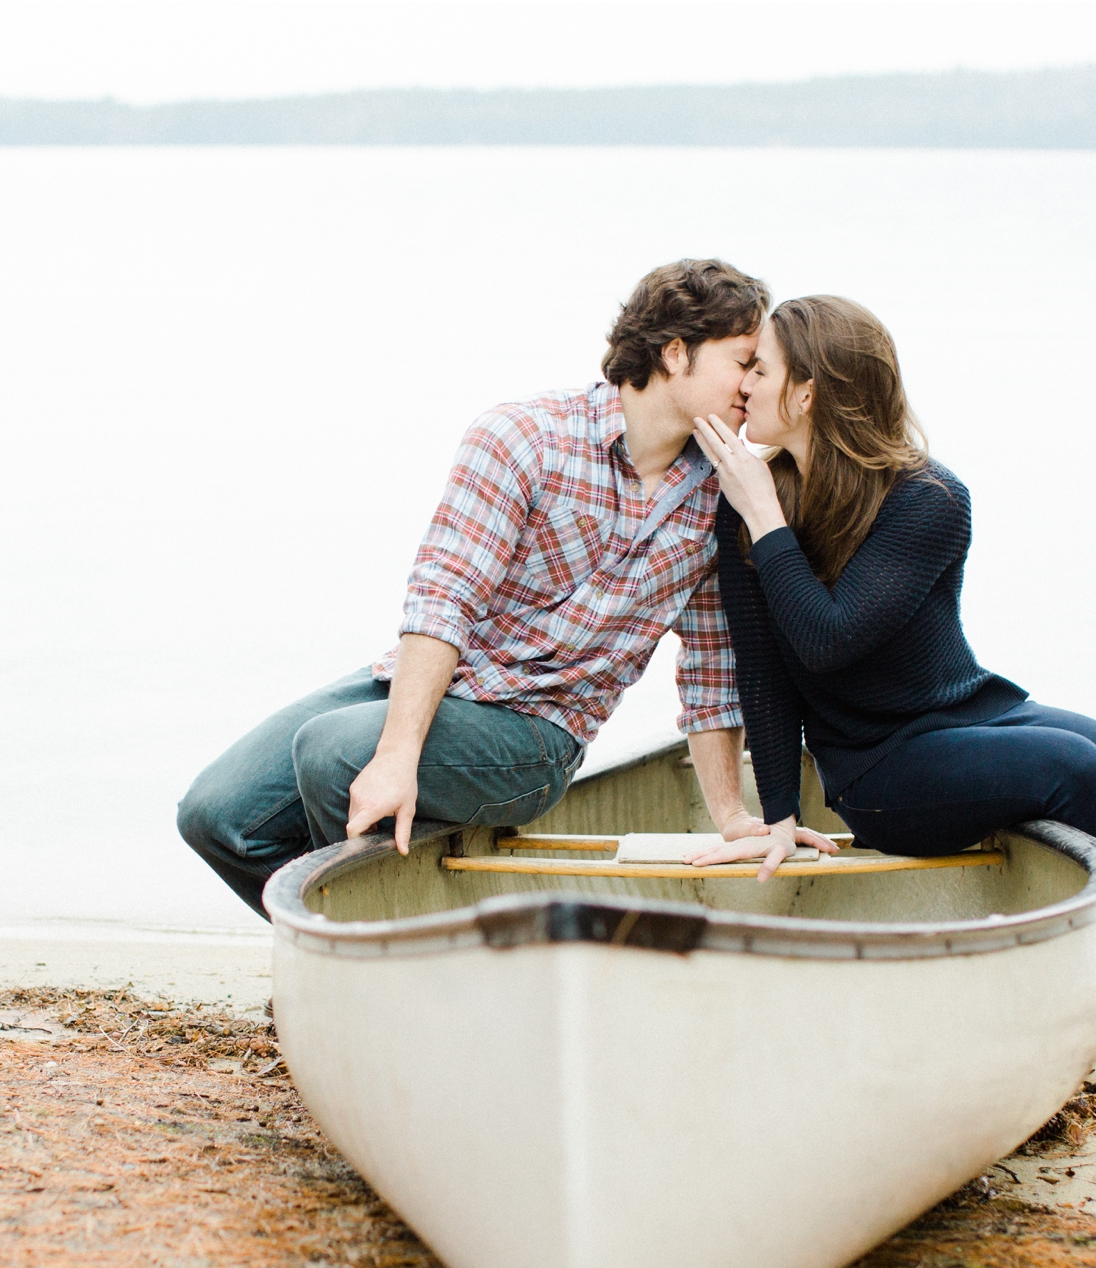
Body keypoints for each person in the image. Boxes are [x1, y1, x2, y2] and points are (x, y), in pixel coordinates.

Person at [177, 259, 835, 916]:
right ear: (674, 353)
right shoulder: (523, 437)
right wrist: (399, 755)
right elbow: (444, 597)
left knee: (332, 753)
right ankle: (363, 934)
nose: (753, 383)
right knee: (215, 815)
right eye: (743, 360)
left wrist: (729, 814)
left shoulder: (721, 493)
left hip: (538, 731)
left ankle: (382, 967)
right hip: (436, 680)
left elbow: (711, 671)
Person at [688, 295, 1096, 1071]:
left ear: (808, 393)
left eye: (761, 369)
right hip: (875, 765)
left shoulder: (929, 500)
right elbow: (772, 669)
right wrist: (779, 816)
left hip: (974, 711)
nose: (745, 387)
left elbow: (836, 631)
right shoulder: (750, 513)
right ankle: (1079, 1009)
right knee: (1073, 768)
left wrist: (765, 516)